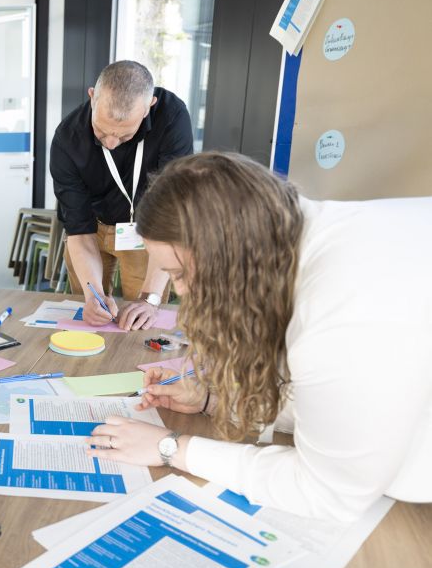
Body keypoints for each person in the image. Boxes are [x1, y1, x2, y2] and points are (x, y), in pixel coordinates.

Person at [85, 151, 432, 522]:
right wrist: (216, 401)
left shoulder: (341, 303)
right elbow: (331, 404)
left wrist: (171, 447)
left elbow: (329, 493)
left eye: (180, 273)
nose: (182, 292)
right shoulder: (302, 233)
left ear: (227, 259)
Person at [50, 60, 193, 330]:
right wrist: (93, 296)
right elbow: (79, 230)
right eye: (101, 131)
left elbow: (171, 213)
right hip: (91, 230)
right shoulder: (67, 138)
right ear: (92, 96)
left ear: (148, 105)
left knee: (140, 321)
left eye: (125, 135)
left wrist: (150, 299)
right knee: (92, 317)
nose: (112, 143)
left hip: (148, 233)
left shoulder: (171, 117)